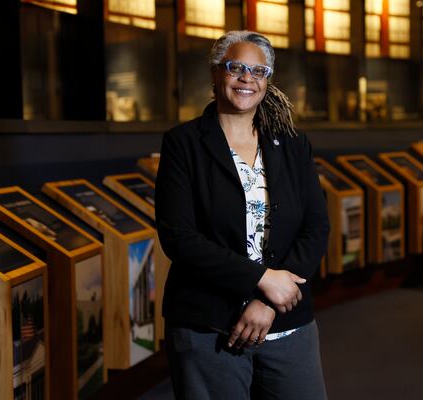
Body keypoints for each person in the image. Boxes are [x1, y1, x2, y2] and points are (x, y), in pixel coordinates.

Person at [155, 30, 329, 400]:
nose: (247, 78)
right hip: (210, 324)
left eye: (259, 70)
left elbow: (316, 227)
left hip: (286, 322)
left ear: (268, 79)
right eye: (236, 68)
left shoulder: (293, 143)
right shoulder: (183, 144)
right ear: (217, 74)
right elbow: (180, 239)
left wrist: (267, 302)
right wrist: (262, 279)